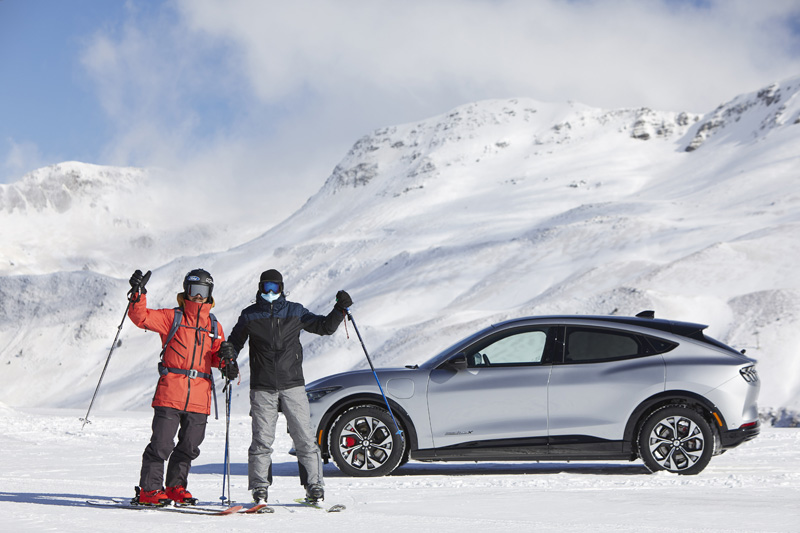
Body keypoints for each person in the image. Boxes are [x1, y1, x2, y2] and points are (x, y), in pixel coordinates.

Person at [223, 269, 352, 505]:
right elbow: (234, 344)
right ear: (260, 288)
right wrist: (228, 360)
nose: (271, 292)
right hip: (262, 388)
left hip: (293, 386)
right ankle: (260, 489)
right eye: (266, 287)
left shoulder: (295, 311)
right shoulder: (250, 316)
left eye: (275, 287)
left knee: (304, 438)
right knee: (262, 440)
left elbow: (324, 327)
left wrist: (339, 310)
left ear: (281, 288)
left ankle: (314, 487)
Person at [127, 268, 239, 506]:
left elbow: (218, 359)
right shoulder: (172, 317)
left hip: (200, 397)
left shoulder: (214, 326)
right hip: (170, 394)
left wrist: (228, 361)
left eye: (203, 291)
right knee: (161, 445)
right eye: (194, 291)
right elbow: (142, 318)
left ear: (209, 294)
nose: (198, 297)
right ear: (186, 291)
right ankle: (150, 490)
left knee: (189, 447)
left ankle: (176, 487)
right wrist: (138, 293)